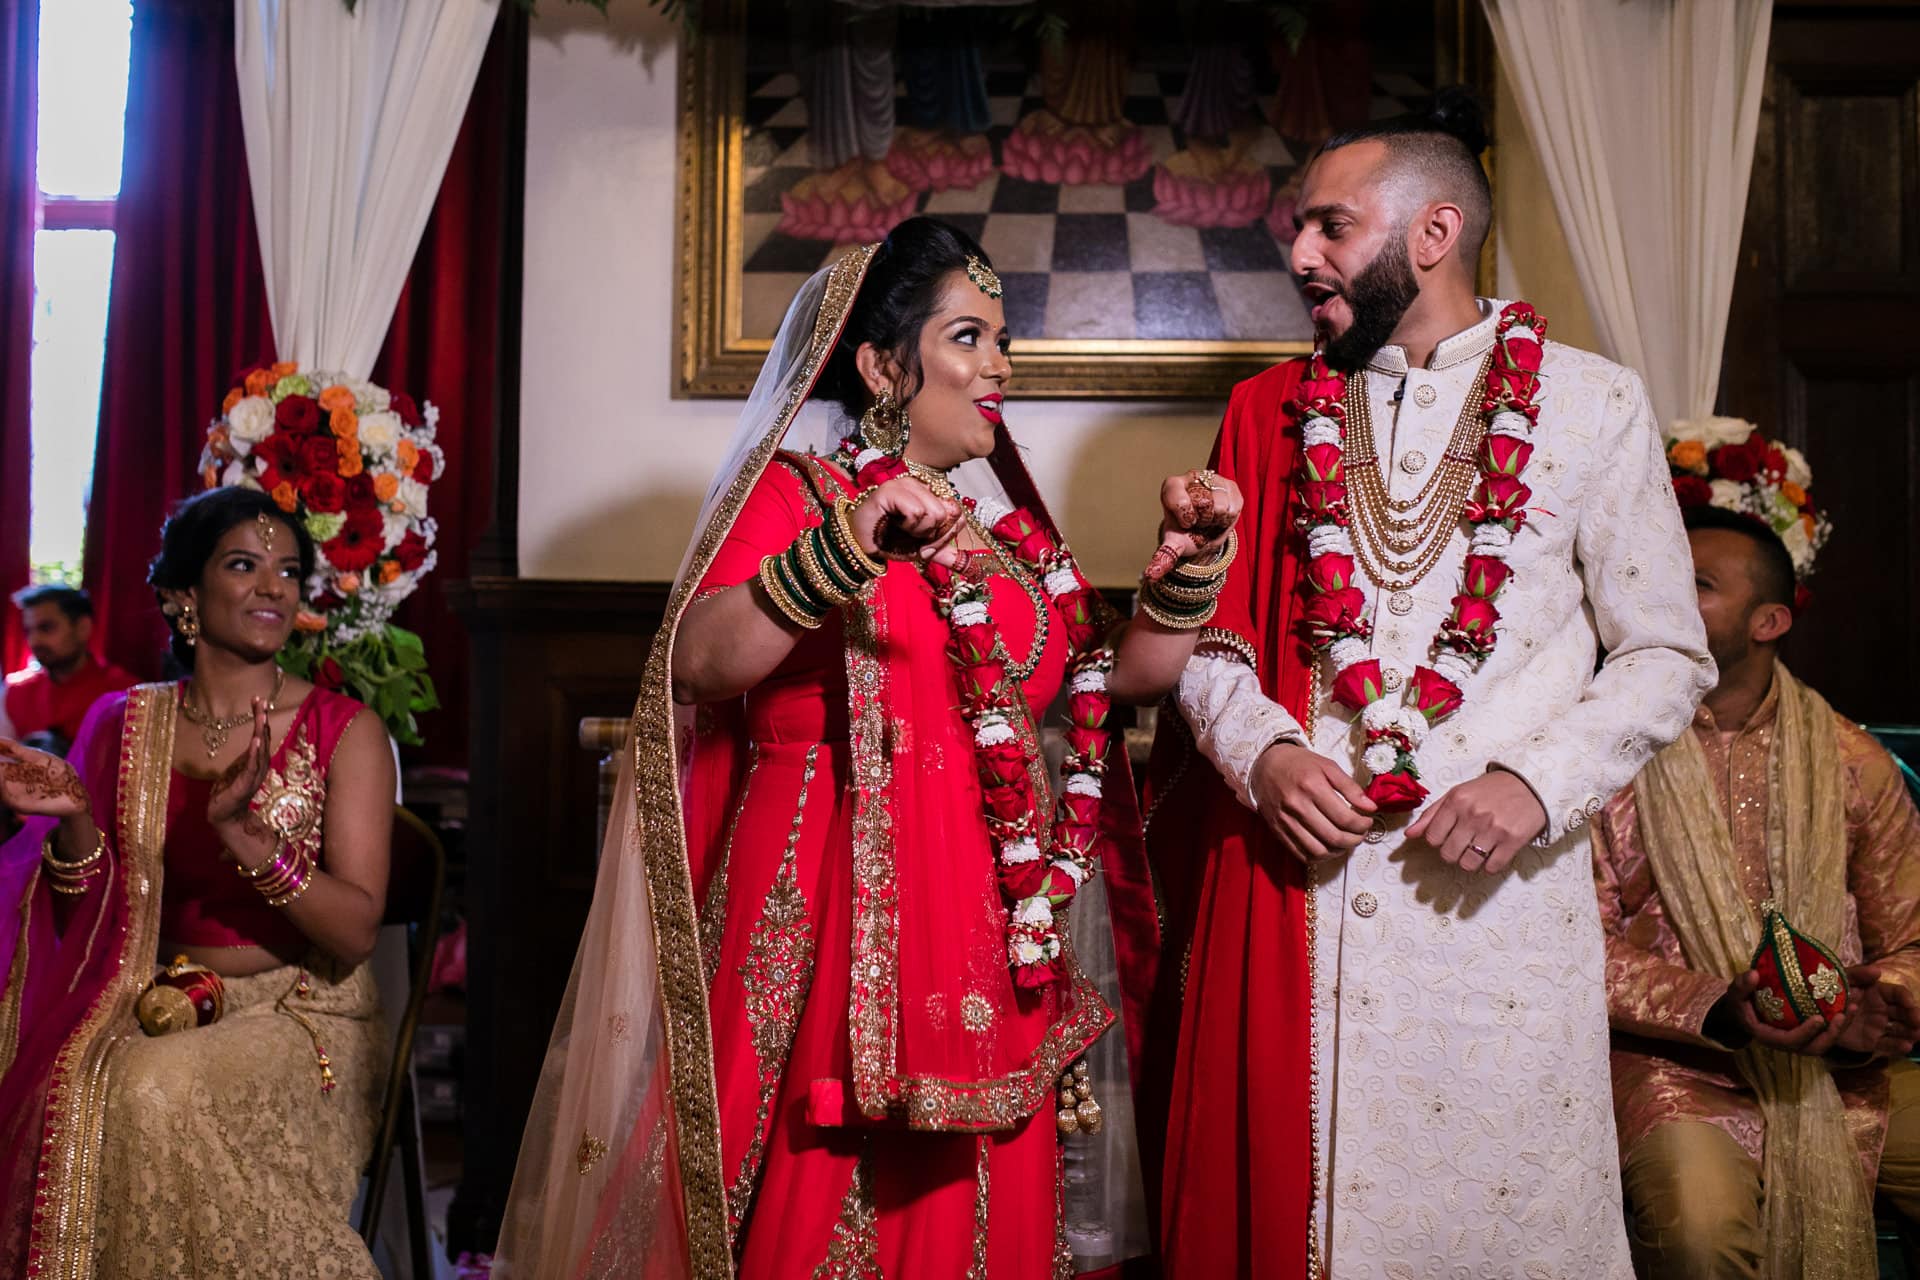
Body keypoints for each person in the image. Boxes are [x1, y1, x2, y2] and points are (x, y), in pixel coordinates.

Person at [495, 216, 1239, 1278]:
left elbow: (1118, 675)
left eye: (1003, 339)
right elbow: (701, 660)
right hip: (825, 915)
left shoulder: (1002, 538)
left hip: (985, 925)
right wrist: (851, 540)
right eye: (970, 337)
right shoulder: (801, 494)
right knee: (819, 1199)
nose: (1001, 365)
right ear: (884, 364)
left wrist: (1191, 563)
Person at [1140, 90, 1715, 1277]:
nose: (1299, 253)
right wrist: (1265, 754)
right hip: (1298, 906)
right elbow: (1208, 641)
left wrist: (1534, 782)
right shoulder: (1268, 412)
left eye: (1330, 226)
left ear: (1433, 233)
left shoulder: (1591, 403)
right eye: (1300, 229)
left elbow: (1666, 650)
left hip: (1498, 924)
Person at [0, 486, 395, 1278]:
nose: (272, 586)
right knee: (69, 1083)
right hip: (141, 993)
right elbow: (82, 917)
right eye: (244, 565)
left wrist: (252, 843)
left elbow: (354, 932)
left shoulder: (344, 730)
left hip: (298, 1012)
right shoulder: (123, 721)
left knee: (147, 1091)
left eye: (287, 571)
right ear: (184, 594)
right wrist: (74, 820)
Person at [1595, 494, 1920, 1280]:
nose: (1668, 593)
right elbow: (1576, 946)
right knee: (1701, 1234)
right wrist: (1719, 1006)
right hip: (1677, 1068)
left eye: (1698, 581)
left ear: (1769, 622)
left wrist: (1883, 1001)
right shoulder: (1608, 754)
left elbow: (1907, 936)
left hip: (1849, 1070)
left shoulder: (1853, 761)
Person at [2, 585, 137, 752]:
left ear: (82, 628)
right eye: (28, 631)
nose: (34, 640)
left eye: (46, 628)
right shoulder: (15, 692)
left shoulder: (125, 694)